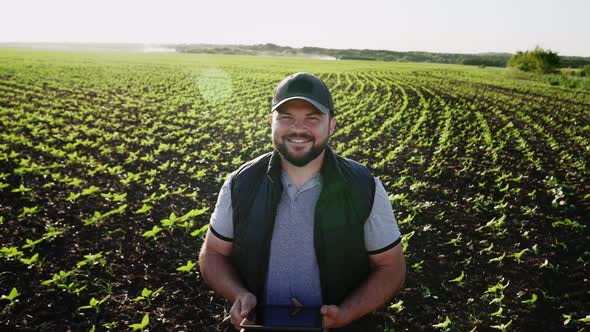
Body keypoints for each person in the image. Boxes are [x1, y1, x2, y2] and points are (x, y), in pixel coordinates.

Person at [199, 72, 406, 332]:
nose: (298, 129)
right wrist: (239, 294)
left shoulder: (363, 186)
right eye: (286, 118)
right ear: (270, 122)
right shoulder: (241, 183)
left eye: (312, 119)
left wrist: (345, 314)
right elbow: (214, 253)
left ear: (331, 125)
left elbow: (391, 267)